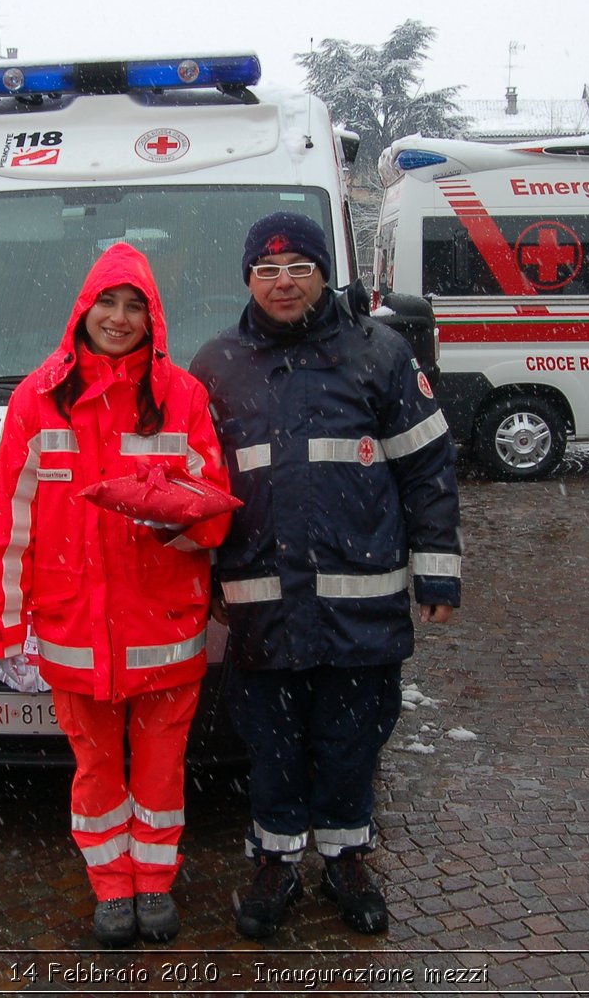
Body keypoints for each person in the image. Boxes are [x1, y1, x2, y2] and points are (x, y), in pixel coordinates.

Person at [189, 212, 462, 939]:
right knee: (271, 745)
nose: (284, 283)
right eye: (267, 270)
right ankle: (275, 865)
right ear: (247, 278)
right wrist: (203, 577)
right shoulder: (215, 365)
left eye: (299, 268)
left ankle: (346, 860)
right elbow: (191, 485)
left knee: (351, 741)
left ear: (323, 274)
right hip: (261, 606)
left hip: (360, 607)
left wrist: (437, 572)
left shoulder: (380, 354)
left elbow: (428, 467)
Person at [0, 241, 231, 947]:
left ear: (154, 320)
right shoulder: (38, 398)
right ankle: (110, 888)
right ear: (82, 310)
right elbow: (8, 526)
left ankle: (155, 885)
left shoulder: (183, 397)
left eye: (135, 307)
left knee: (158, 769)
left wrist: (172, 524)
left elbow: (215, 511)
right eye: (107, 304)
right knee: (94, 771)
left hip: (164, 629)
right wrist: (1, 629)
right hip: (72, 629)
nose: (119, 320)